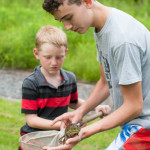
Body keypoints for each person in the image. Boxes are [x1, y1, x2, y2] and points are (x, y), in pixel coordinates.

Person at [42, 0, 150, 150]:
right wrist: (80, 112)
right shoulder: (102, 28)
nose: (67, 27)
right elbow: (105, 82)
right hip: (137, 125)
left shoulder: (122, 39)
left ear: (87, 2)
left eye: (69, 17)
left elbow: (134, 106)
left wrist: (84, 132)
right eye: (62, 21)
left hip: (145, 128)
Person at [19, 25, 111, 150]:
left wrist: (95, 107)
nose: (54, 62)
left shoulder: (69, 78)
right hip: (35, 140)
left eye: (59, 57)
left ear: (65, 53)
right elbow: (32, 120)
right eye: (48, 57)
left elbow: (74, 103)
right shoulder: (31, 83)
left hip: (60, 138)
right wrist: (60, 125)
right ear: (37, 53)